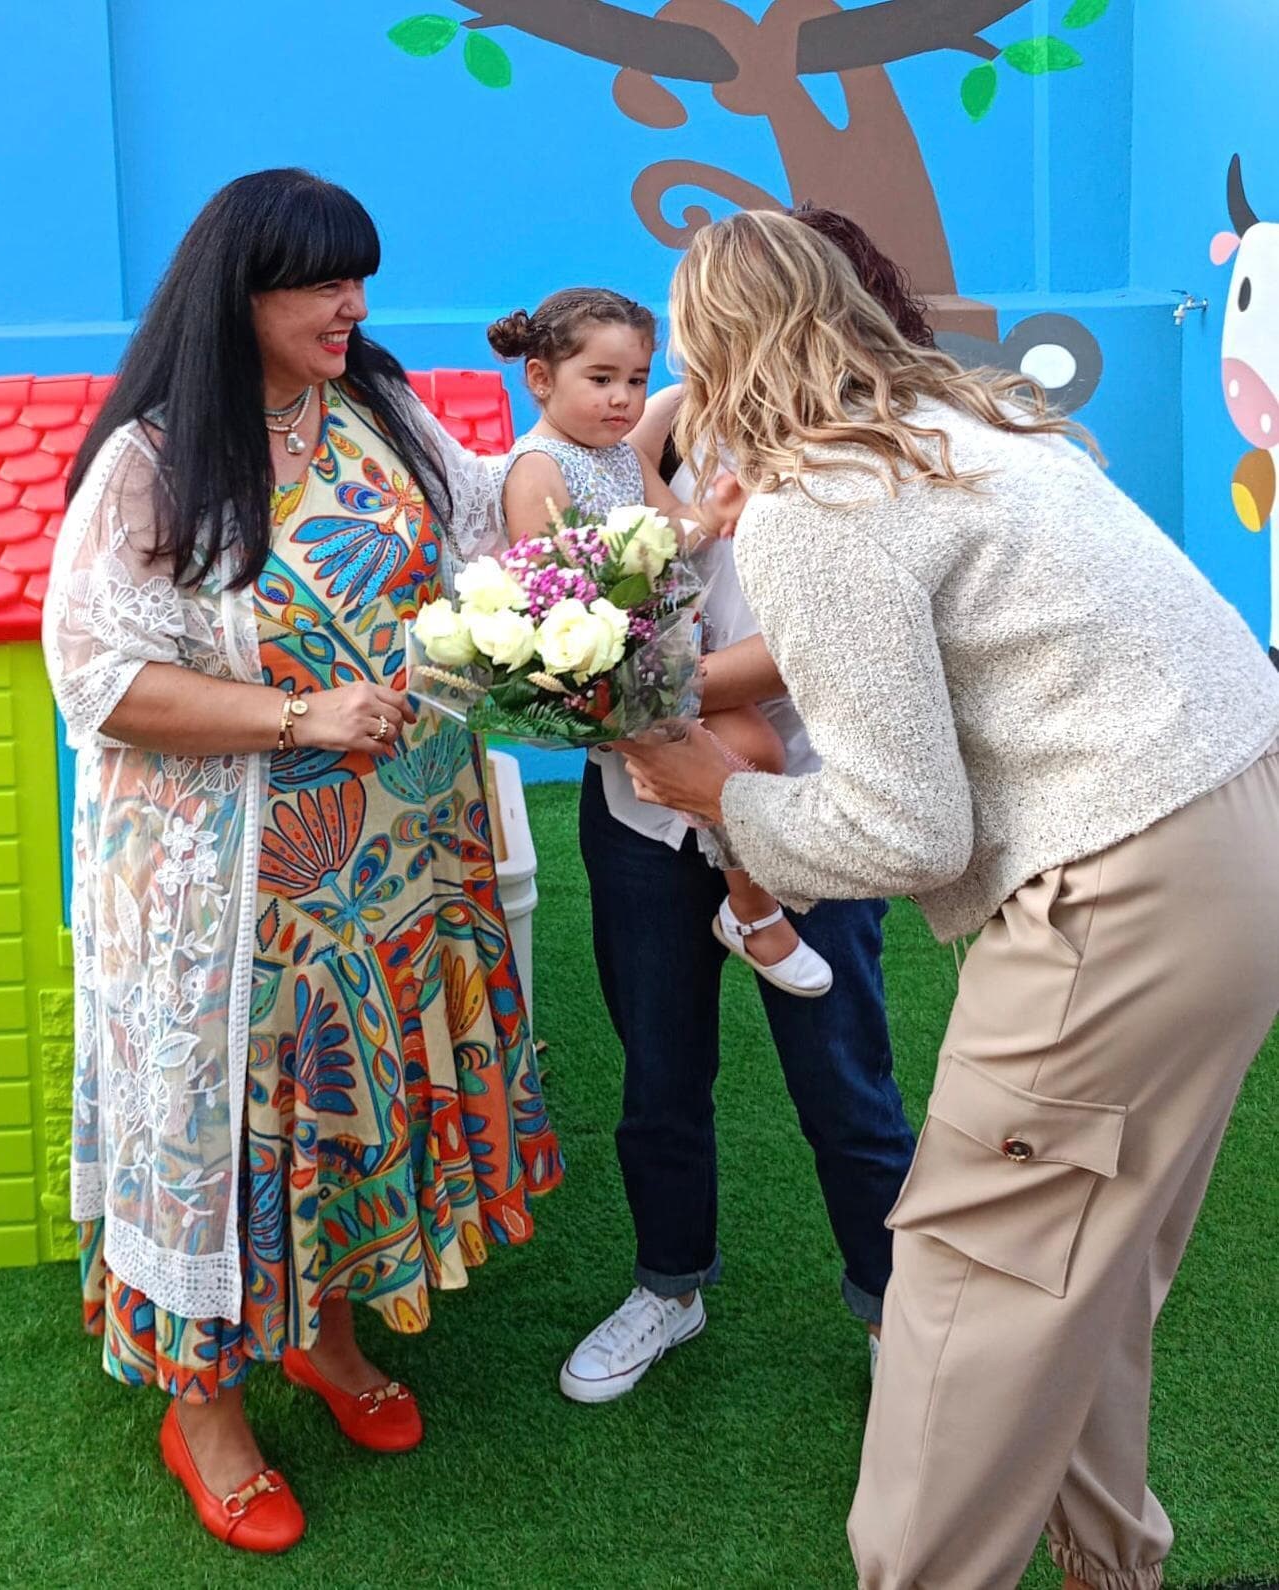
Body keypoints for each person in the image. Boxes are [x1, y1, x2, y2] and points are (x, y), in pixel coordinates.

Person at [620, 208, 1279, 1590]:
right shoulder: (970, 427)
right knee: (1079, 1266)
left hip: (1124, 881)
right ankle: (1110, 1564)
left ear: (710, 356)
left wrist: (711, 796)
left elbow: (904, 828)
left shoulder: (819, 501)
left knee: (970, 1285)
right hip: (1233, 827)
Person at [44, 168, 562, 1553]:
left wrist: (594, 467)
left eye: (358, 277)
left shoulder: (373, 407)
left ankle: (322, 1336)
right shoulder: (153, 462)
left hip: (392, 871)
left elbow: (483, 502)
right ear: (240, 293)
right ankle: (200, 1409)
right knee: (228, 1135)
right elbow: (95, 680)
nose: (351, 303)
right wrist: (298, 715)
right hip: (236, 902)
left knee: (337, 1114)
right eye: (320, 282)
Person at [487, 275, 916, 1401]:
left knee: (844, 1084)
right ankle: (667, 1286)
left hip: (800, 803)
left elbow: (808, 650)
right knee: (658, 1072)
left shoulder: (856, 462)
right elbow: (568, 561)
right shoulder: (650, 420)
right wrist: (596, 692)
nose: (633, 387)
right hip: (639, 809)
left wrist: (634, 689)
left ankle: (896, 1316)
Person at [490, 287, 833, 999]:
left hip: (665, 648)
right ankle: (752, 909)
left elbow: (671, 525)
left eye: (637, 381)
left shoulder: (619, 455)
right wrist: (632, 589)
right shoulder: (538, 467)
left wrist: (711, 511)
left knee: (760, 752)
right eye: (602, 380)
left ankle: (747, 902)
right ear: (541, 379)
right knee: (753, 753)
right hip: (608, 669)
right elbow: (548, 586)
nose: (622, 400)